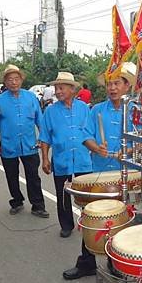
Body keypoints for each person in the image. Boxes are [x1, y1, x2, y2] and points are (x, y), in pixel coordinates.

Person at [62, 62, 136, 280]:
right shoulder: (96, 110)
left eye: (116, 83)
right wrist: (97, 148)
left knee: (121, 219)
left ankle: (118, 264)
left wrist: (129, 150)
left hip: (125, 174)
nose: (112, 88)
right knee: (92, 217)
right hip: (99, 172)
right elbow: (85, 135)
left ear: (126, 86)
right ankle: (87, 263)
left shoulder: (135, 111)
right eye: (109, 84)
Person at [0, 64, 49, 218]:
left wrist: (42, 139)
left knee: (33, 176)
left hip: (29, 144)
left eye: (16, 79)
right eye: (10, 79)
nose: (13, 82)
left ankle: (38, 206)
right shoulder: (0, 101)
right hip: (8, 145)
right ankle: (17, 201)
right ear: (5, 82)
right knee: (11, 176)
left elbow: (39, 120)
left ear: (21, 80)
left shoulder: (31, 98)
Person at [39, 72, 92, 238]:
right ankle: (66, 225)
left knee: (86, 194)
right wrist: (45, 158)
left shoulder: (84, 108)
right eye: (56, 88)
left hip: (83, 159)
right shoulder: (50, 111)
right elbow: (45, 137)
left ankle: (89, 222)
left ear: (72, 89)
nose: (58, 91)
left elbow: (92, 132)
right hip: (62, 159)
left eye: (61, 87)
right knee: (63, 194)